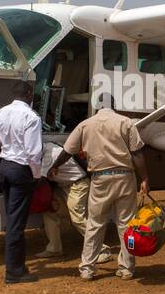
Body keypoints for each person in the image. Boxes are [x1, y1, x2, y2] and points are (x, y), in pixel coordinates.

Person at [50, 92, 149, 281]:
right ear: (114, 105)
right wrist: (144, 179)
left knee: (95, 224)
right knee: (126, 224)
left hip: (100, 178)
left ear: (96, 106)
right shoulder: (125, 122)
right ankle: (127, 268)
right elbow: (137, 153)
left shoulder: (85, 125)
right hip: (125, 177)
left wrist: (55, 166)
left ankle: (87, 268)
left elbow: (67, 151)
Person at [0, 81, 43, 285]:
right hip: (20, 170)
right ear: (29, 94)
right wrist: (36, 176)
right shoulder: (31, 117)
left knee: (12, 217)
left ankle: (15, 266)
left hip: (4, 167)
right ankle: (14, 272)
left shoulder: (0, 114)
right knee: (17, 223)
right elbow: (34, 153)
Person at [35, 140, 108, 261]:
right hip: (63, 185)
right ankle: (54, 248)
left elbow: (40, 181)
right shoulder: (46, 148)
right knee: (50, 211)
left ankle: (102, 249)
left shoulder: (50, 154)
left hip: (78, 184)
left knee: (77, 218)